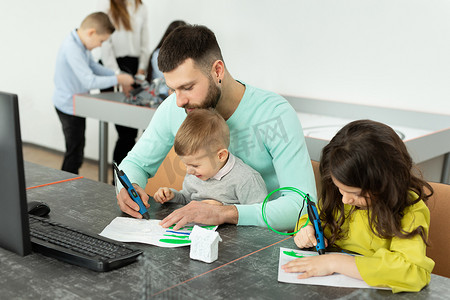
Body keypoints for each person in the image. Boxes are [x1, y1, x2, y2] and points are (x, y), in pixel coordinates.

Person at [117, 24, 316, 231]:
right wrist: (127, 188)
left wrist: (225, 213)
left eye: (187, 87)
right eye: (173, 89)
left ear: (217, 71)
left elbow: (303, 206)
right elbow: (135, 164)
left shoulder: (275, 113)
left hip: (263, 242)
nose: (178, 101)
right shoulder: (175, 108)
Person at [282, 120, 435, 293]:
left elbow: (412, 271)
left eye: (357, 194)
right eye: (341, 189)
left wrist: (335, 262)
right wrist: (306, 229)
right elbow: (313, 218)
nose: (346, 200)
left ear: (386, 184)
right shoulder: (337, 197)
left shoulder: (410, 209)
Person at [52, 12, 134, 174]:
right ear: (91, 33)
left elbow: (95, 68)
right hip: (68, 106)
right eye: (101, 41)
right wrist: (119, 79)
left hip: (76, 105)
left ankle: (69, 186)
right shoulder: (72, 47)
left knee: (77, 151)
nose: (100, 45)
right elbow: (89, 81)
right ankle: (64, 190)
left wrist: (118, 75)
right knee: (74, 153)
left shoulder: (80, 45)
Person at [153, 108, 267, 206]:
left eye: (195, 165)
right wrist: (172, 196)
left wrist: (223, 209)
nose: (189, 170)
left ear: (221, 156)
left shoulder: (245, 179)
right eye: (186, 164)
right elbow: (187, 199)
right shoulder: (195, 173)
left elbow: (260, 214)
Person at [97, 0, 150, 175]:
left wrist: (141, 71)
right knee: (125, 133)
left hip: (136, 68)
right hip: (114, 70)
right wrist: (120, 78)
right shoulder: (107, 8)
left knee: (134, 131)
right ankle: (117, 179)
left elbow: (144, 42)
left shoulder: (140, 7)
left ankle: (127, 178)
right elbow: (105, 48)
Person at [146, 20, 186, 98]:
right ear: (166, 38)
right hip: (160, 96)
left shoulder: (187, 57)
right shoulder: (157, 55)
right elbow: (167, 79)